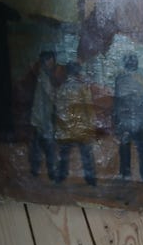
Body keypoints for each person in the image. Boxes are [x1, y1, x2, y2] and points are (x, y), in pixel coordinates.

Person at [55, 62, 96, 186]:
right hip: (81, 128)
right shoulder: (83, 88)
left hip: (66, 128)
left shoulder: (62, 88)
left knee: (64, 155)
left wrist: (60, 127)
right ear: (78, 73)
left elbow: (58, 109)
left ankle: (60, 177)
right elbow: (89, 108)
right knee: (86, 155)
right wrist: (91, 126)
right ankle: (90, 180)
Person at [113, 53, 143, 182]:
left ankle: (126, 173)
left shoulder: (120, 79)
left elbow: (117, 102)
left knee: (125, 148)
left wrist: (116, 119)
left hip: (125, 120)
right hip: (141, 121)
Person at [29, 51, 57, 181]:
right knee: (48, 146)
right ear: (46, 61)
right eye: (50, 60)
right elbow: (51, 95)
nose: (52, 63)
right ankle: (51, 172)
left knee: (38, 146)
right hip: (43, 119)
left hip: (40, 118)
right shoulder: (44, 77)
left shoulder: (43, 75)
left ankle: (36, 170)